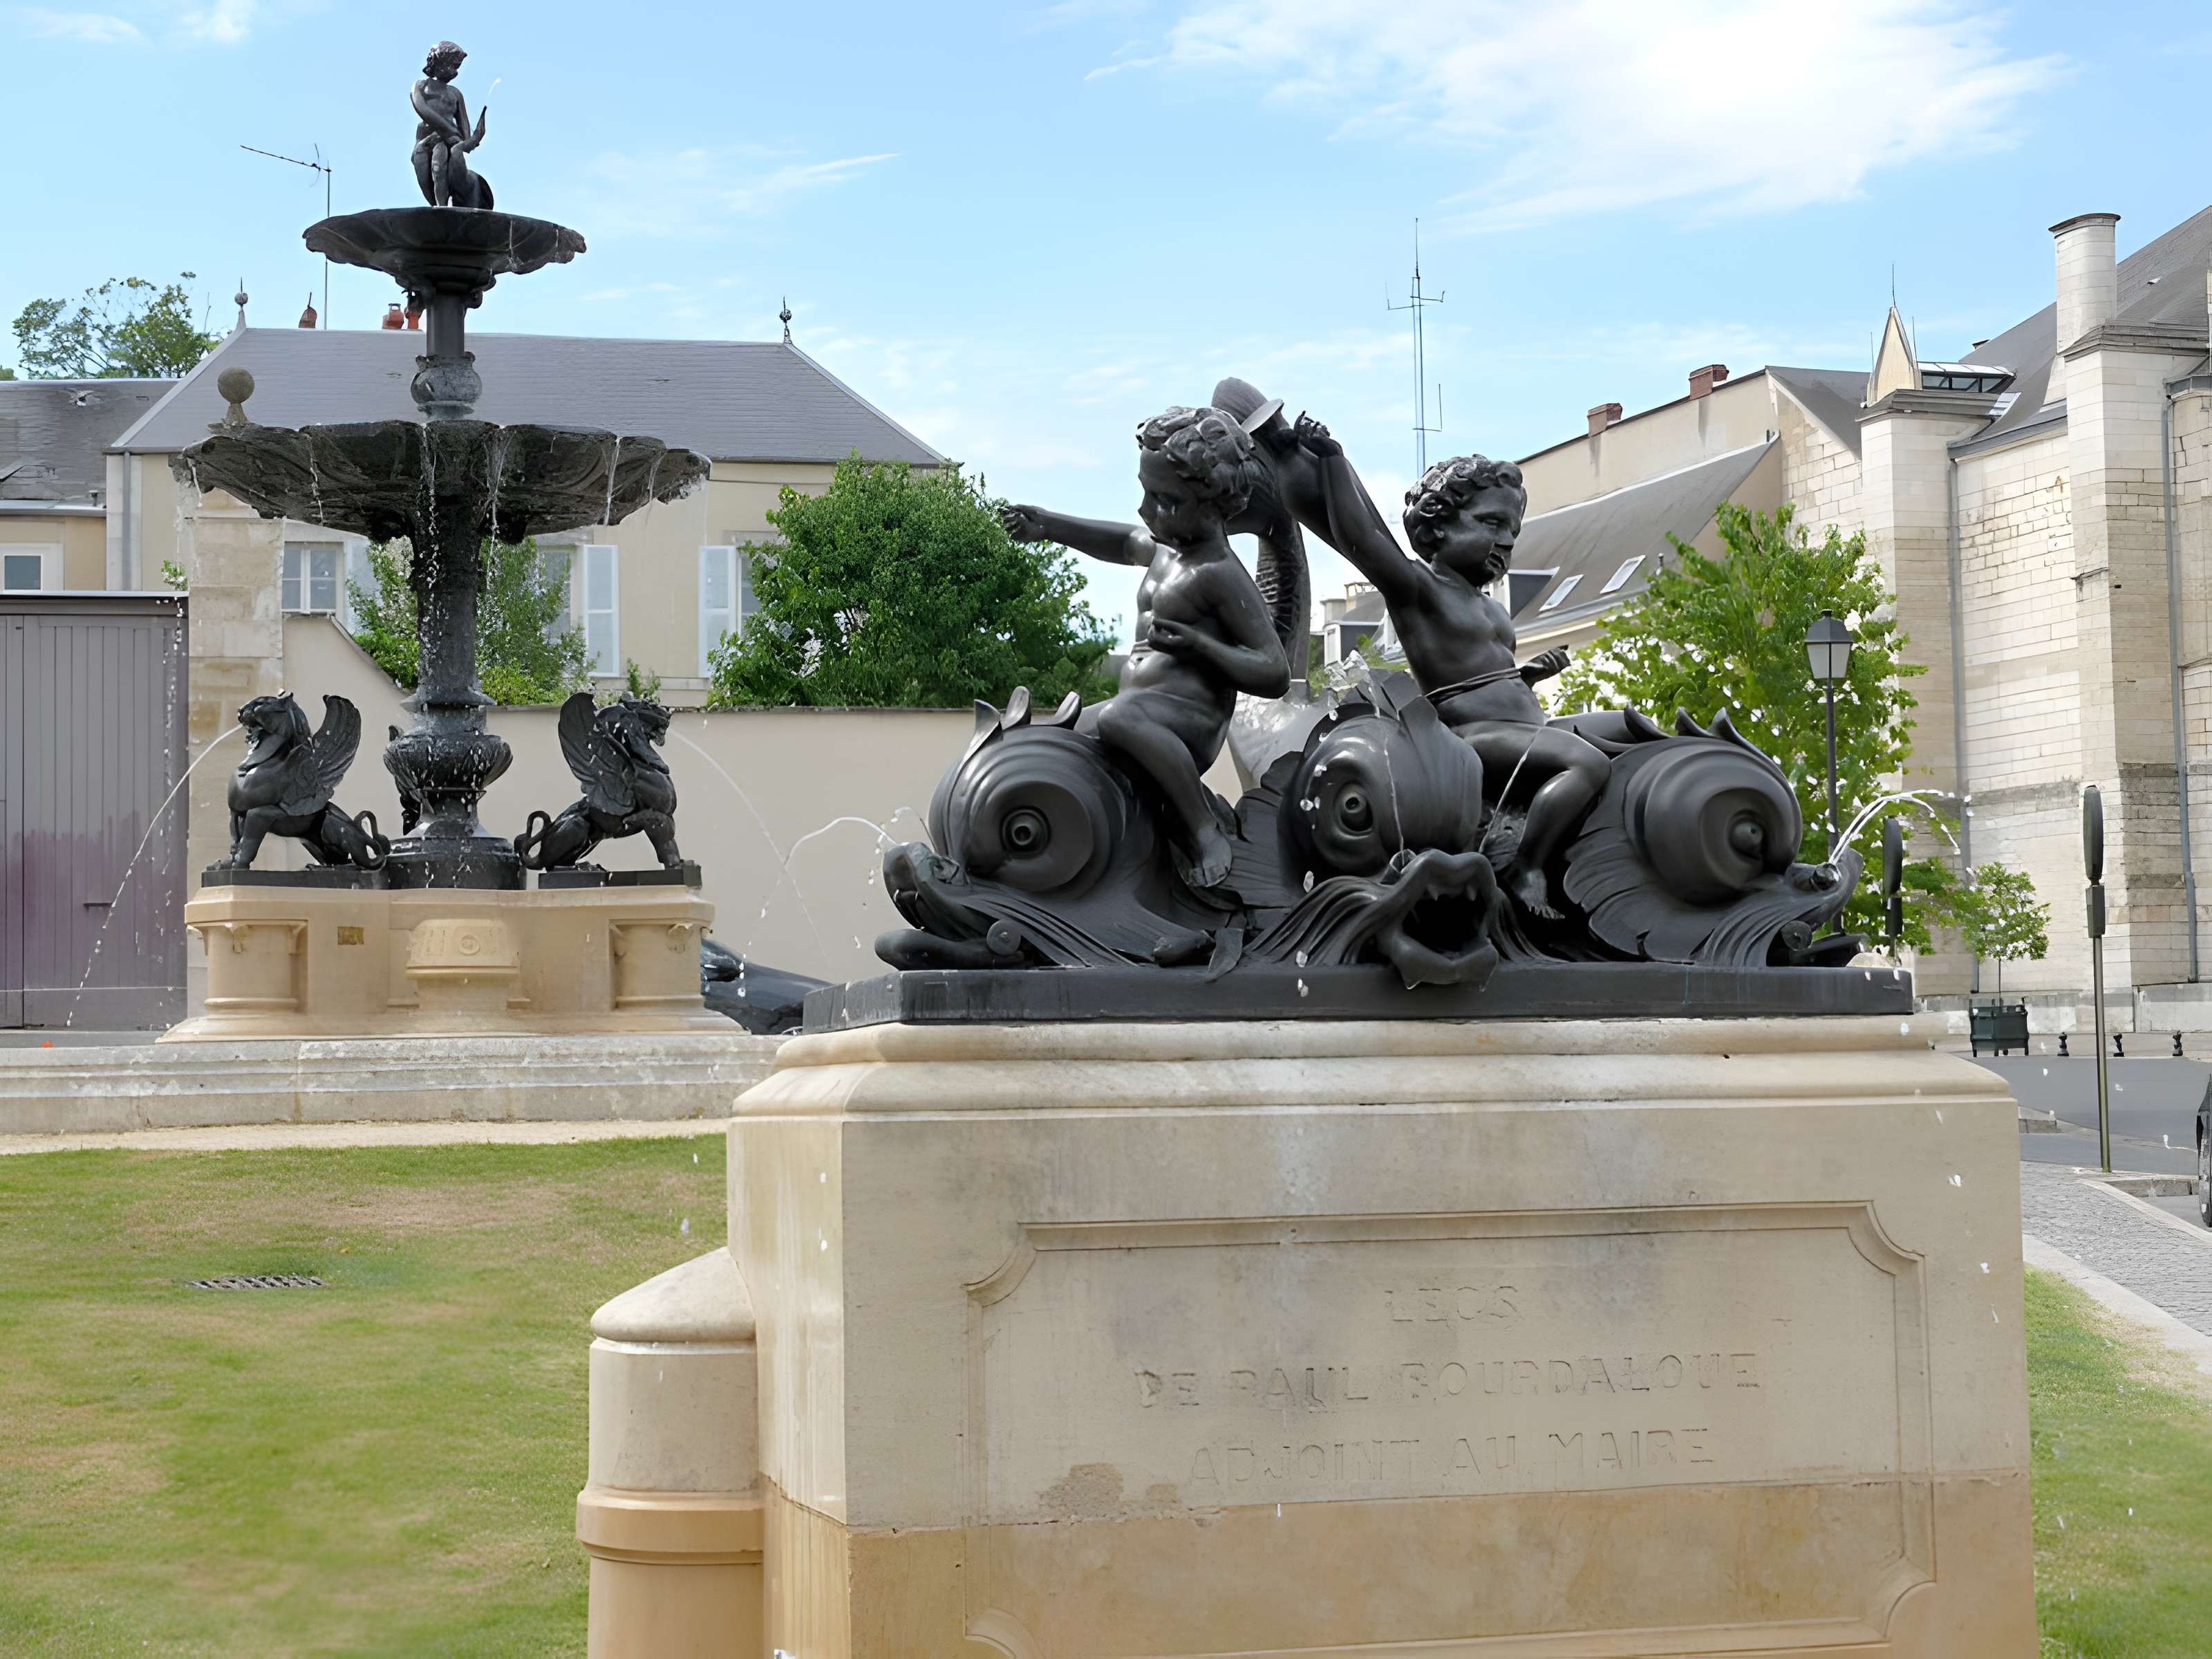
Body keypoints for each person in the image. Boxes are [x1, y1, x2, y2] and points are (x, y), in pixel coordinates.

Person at [1296, 418, 1608, 919]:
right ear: (1437, 524)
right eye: (1490, 524)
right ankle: (1527, 867)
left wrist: (1527, 674)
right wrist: (1332, 459)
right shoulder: (1420, 589)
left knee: (1625, 731)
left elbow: (1482, 673)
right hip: (1471, 735)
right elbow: (1363, 535)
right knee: (1588, 763)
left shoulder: (1490, 606)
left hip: (1527, 725)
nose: (1505, 542)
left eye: (1513, 531)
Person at [999, 406, 1291, 888]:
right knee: (1055, 737)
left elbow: (1273, 671)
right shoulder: (1164, 548)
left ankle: (1203, 829)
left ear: (1212, 504)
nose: (1146, 511)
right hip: (1137, 712)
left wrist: (1199, 646)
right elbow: (1119, 543)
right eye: (1145, 493)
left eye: (1165, 501)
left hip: (1184, 725)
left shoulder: (1219, 573)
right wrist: (1050, 526)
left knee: (1117, 717)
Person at [412, 41, 491, 210]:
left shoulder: (455, 94)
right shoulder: (420, 86)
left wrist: (472, 138)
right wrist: (449, 130)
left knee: (439, 165)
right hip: (425, 140)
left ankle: (441, 208)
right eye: (452, 66)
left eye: (457, 68)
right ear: (438, 63)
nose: (455, 72)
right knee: (421, 168)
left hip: (446, 142)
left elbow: (465, 130)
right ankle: (435, 205)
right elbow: (422, 108)